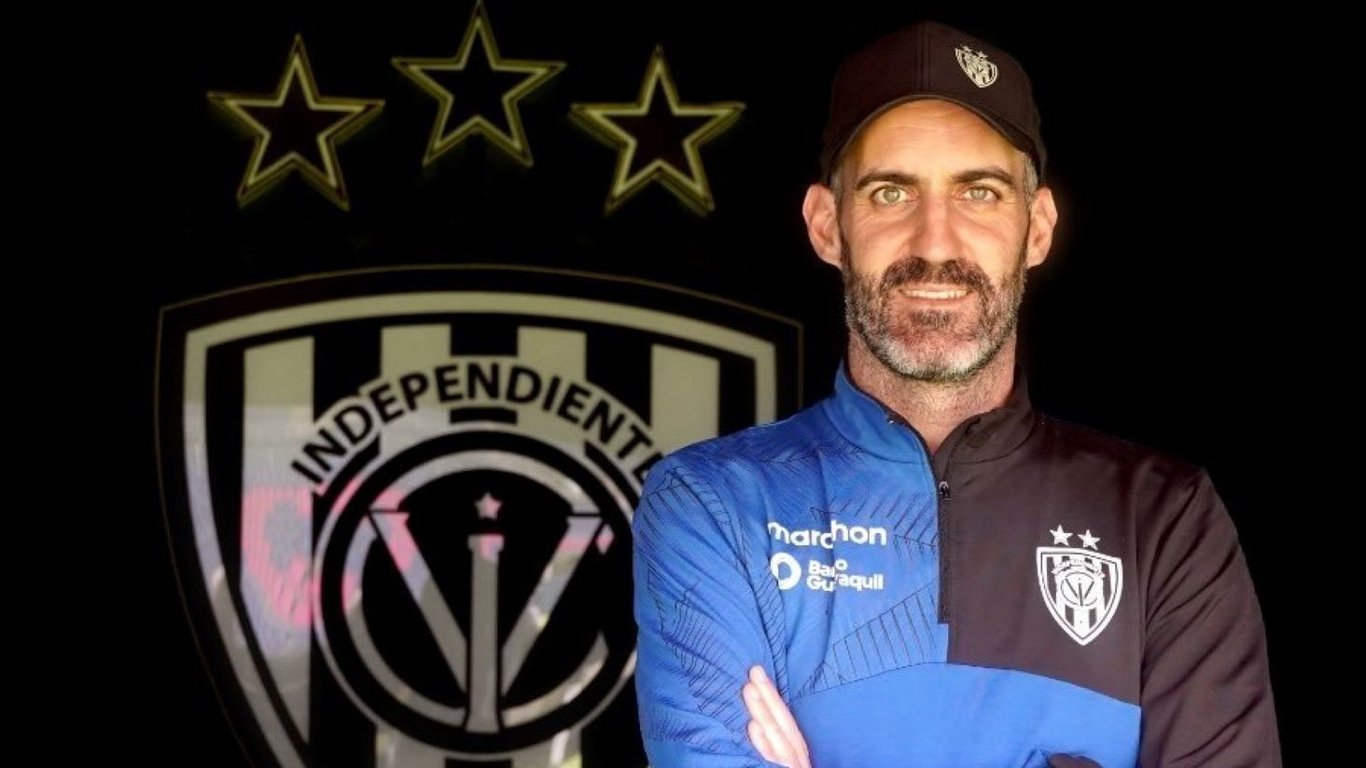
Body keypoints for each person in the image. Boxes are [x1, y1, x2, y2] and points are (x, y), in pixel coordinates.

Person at [630, 18, 1280, 768]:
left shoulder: (1162, 517)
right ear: (827, 226)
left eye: (979, 192)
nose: (935, 243)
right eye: (890, 193)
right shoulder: (714, 506)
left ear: (1037, 228)